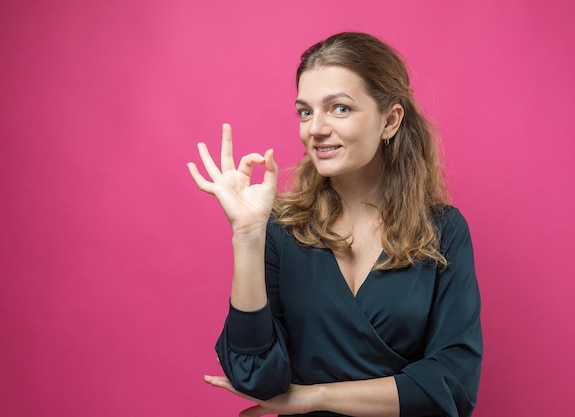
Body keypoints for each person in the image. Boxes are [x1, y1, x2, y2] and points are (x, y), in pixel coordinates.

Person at [187, 32, 482, 417]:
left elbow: (453, 385)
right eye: (306, 111)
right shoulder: (279, 228)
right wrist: (246, 235)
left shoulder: (442, 231)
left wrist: (314, 397)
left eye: (339, 108)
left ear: (390, 120)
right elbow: (256, 377)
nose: (316, 129)